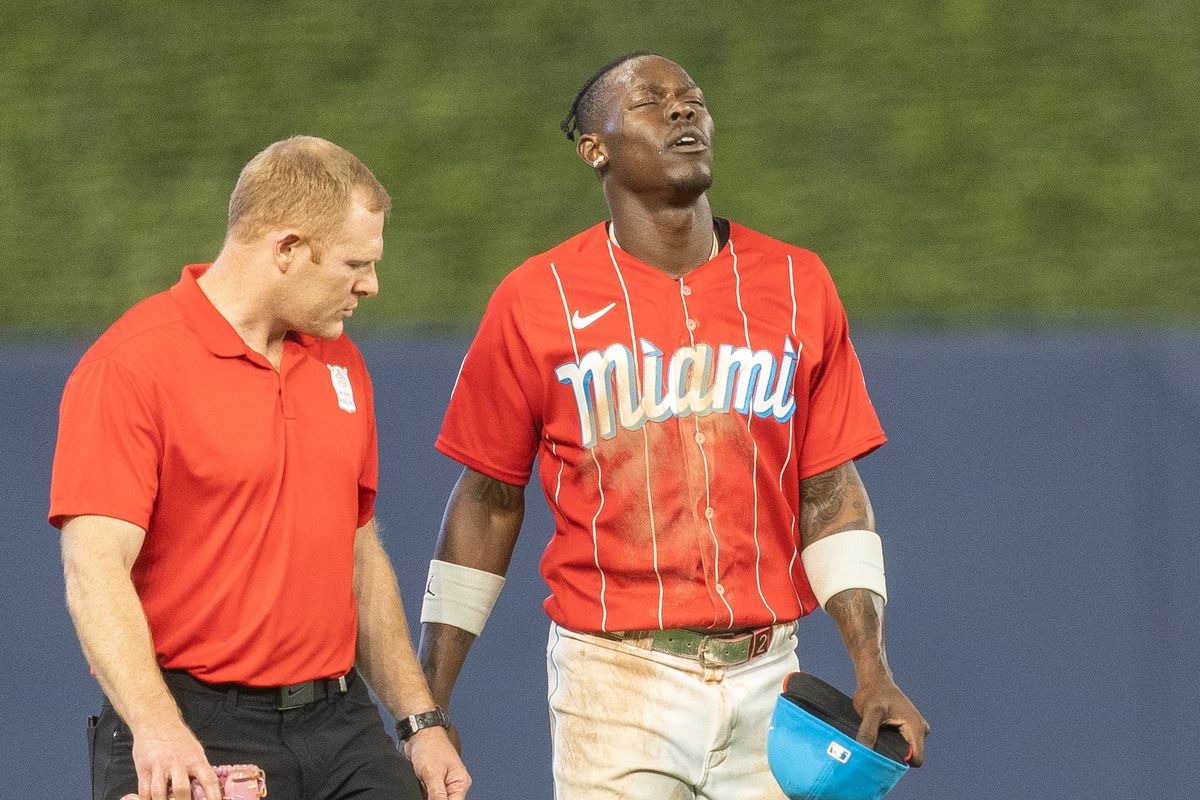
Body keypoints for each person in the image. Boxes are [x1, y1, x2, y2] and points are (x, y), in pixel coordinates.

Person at [418, 53, 929, 799]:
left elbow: (829, 496)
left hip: (769, 678)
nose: (684, 111)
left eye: (693, 99)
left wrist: (873, 668)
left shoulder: (797, 282)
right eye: (653, 102)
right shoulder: (537, 299)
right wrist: (431, 701)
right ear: (595, 147)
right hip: (614, 679)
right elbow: (487, 501)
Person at [49, 136, 470, 800]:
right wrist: (158, 727)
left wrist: (420, 721)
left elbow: (357, 553)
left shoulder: (341, 363)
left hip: (341, 724)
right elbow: (93, 570)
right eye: (355, 263)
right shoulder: (130, 367)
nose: (371, 285)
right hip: (195, 722)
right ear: (286, 250)